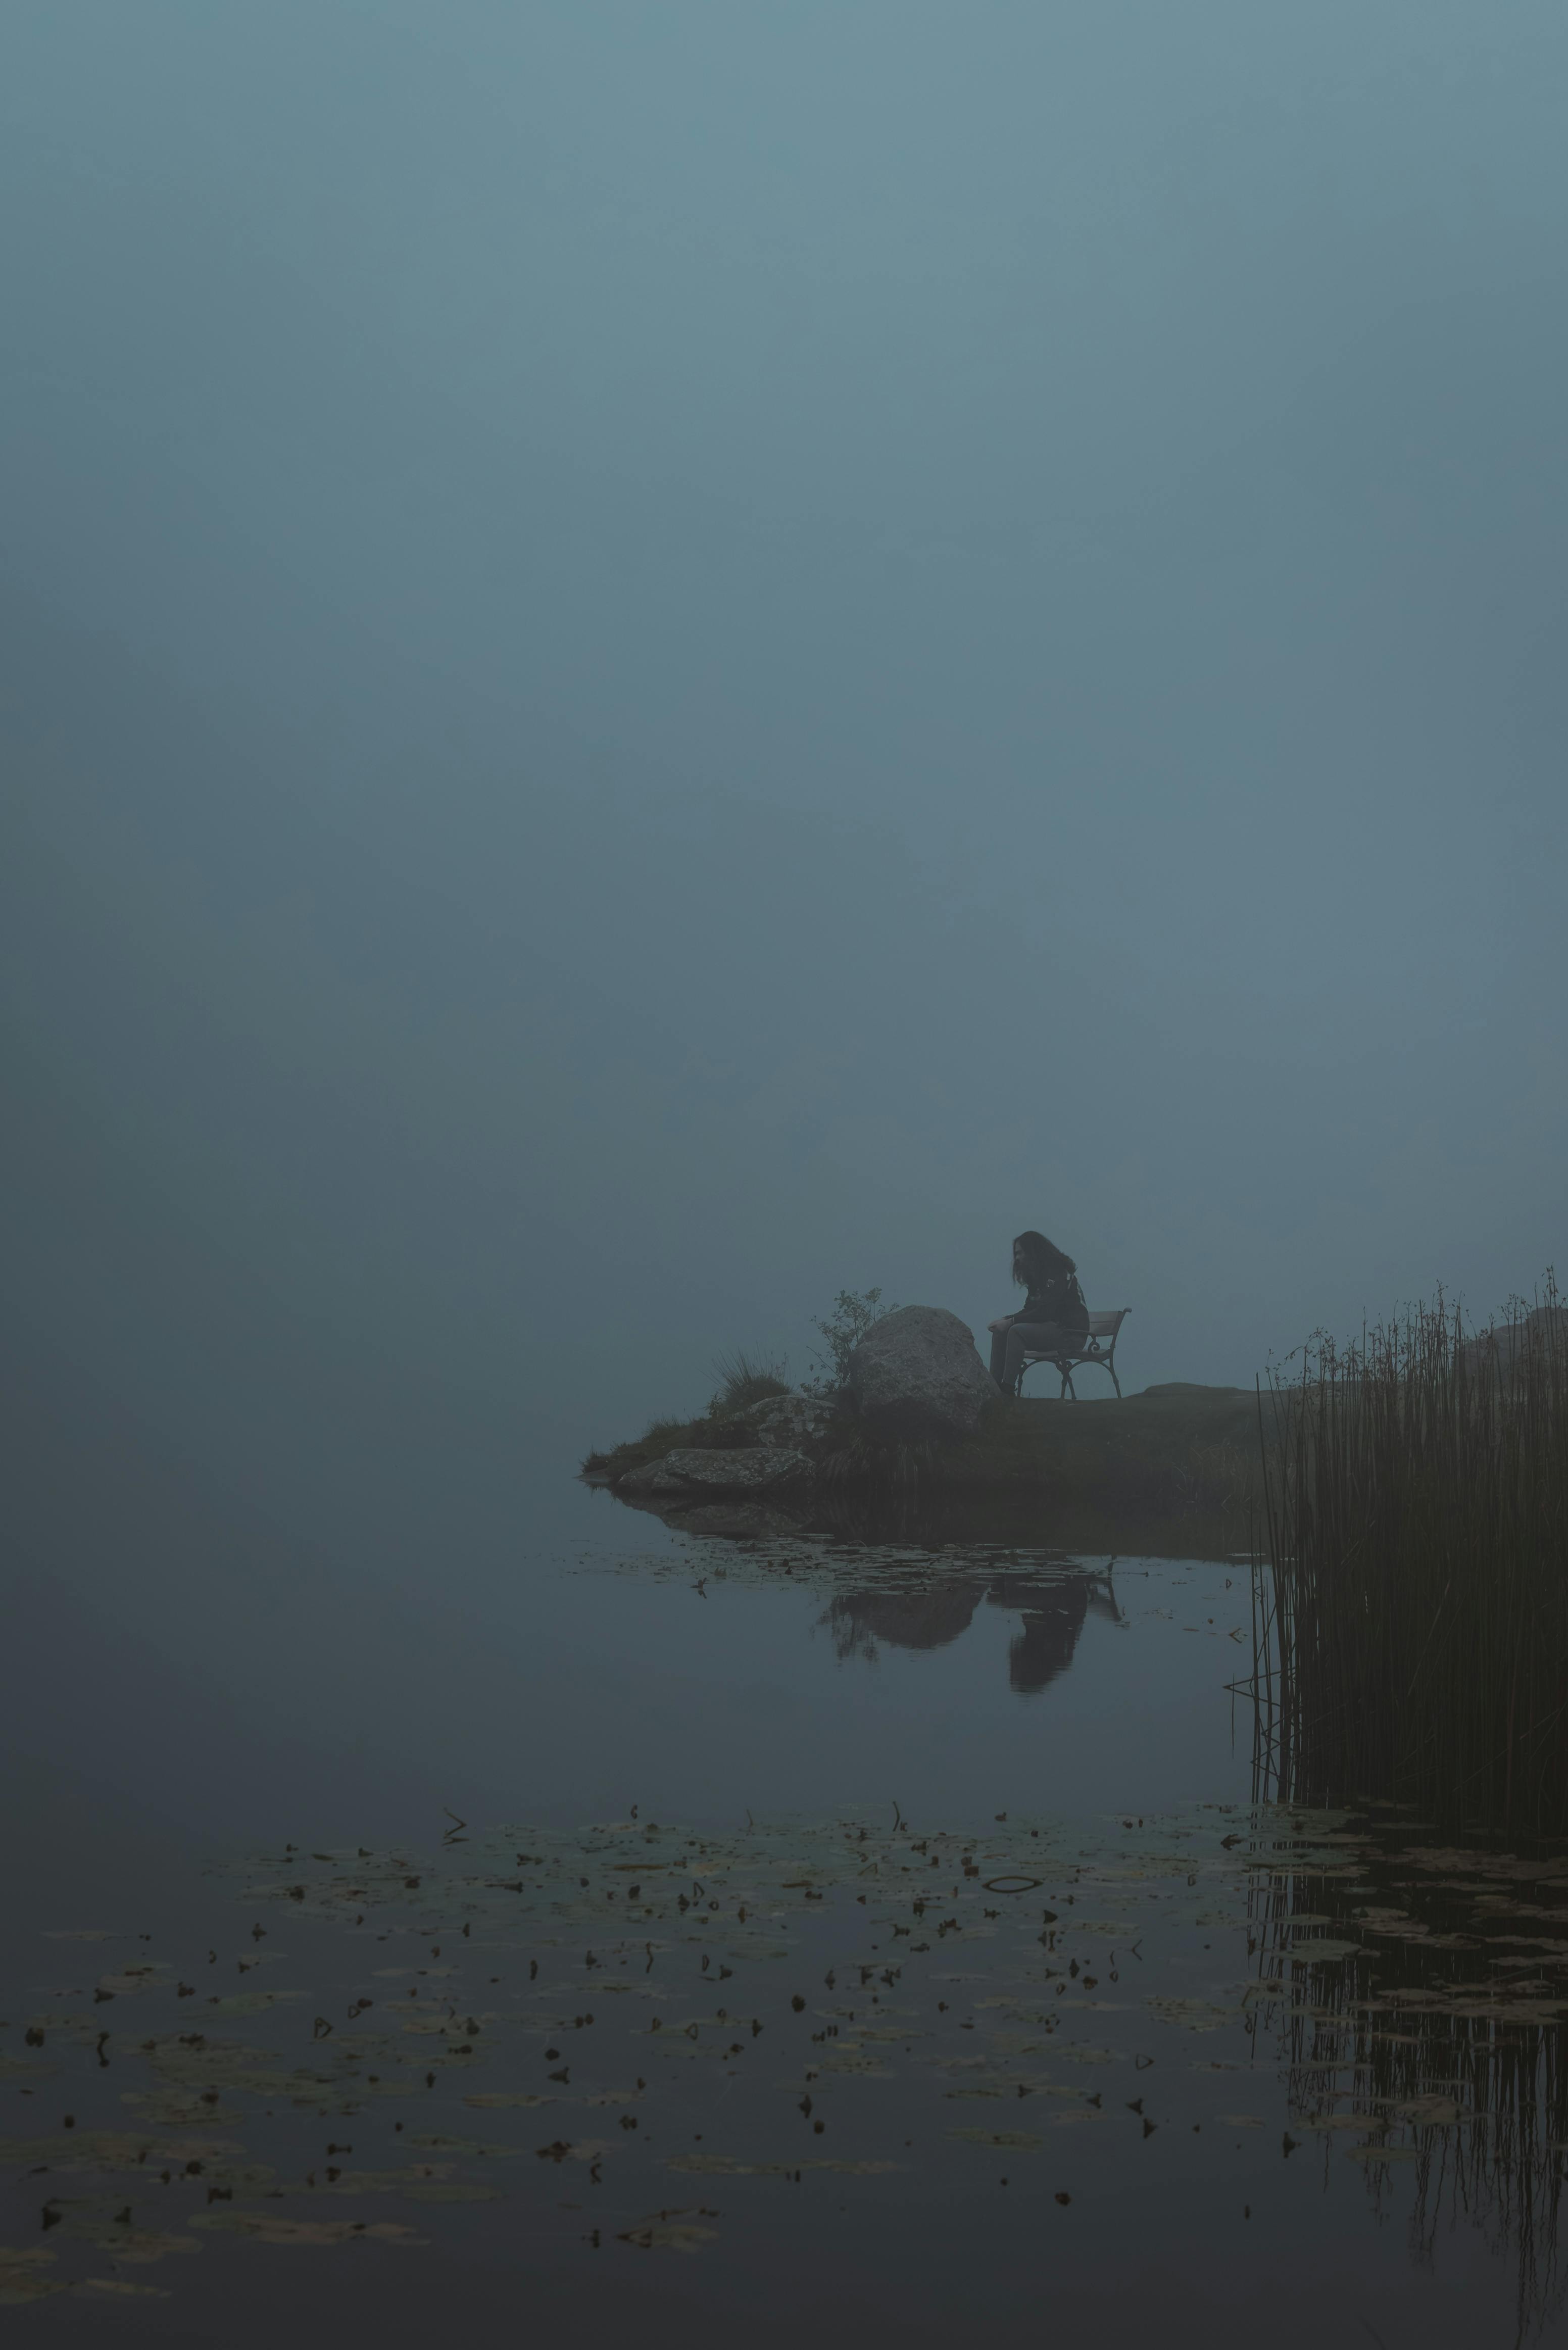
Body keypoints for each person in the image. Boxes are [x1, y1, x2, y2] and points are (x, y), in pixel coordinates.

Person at [987, 1230, 1090, 1396]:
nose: (1017, 1258)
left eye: (1020, 1253)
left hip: (1070, 1334)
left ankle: (1007, 1391)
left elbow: (1045, 1312)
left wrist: (1011, 1322)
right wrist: (1005, 1320)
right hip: (1053, 1328)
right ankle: (993, 1388)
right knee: (1002, 1332)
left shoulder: (1056, 1272)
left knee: (1015, 1331)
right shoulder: (1038, 1276)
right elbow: (1031, 1310)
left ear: (1033, 1251)